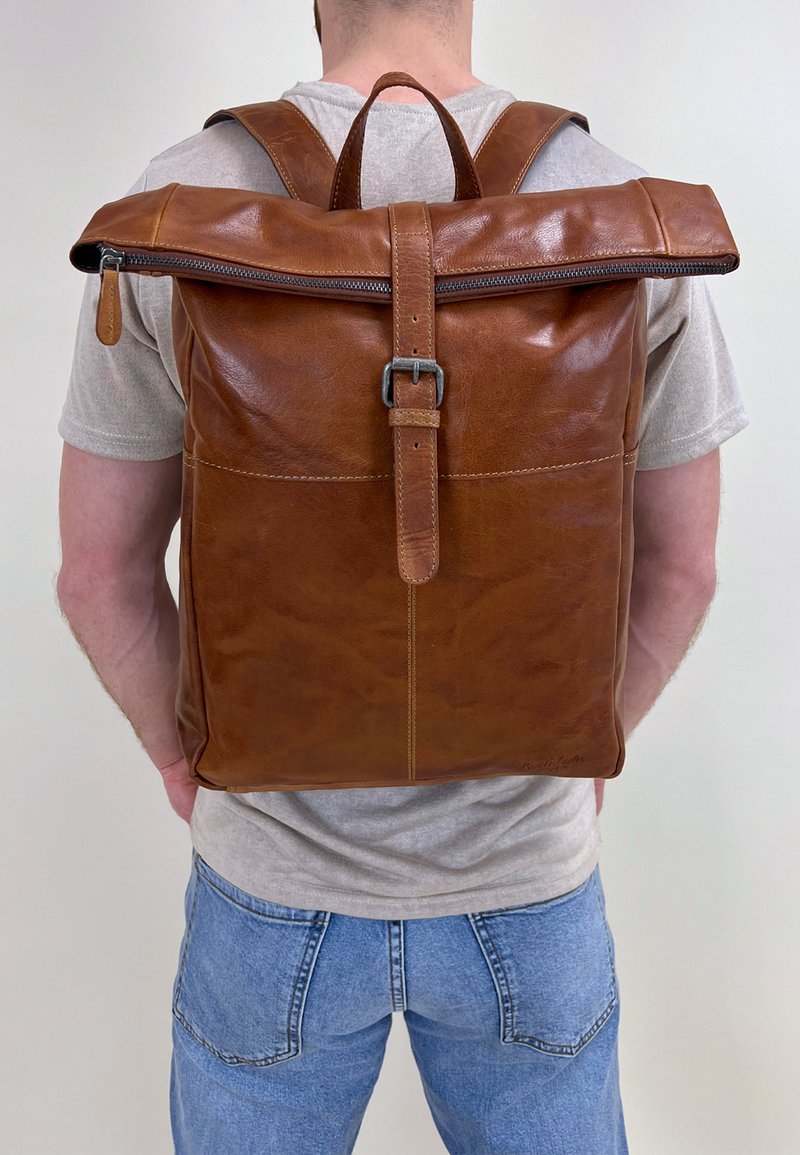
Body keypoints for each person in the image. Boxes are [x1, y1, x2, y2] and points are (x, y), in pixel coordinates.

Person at [56, 1, 747, 1152]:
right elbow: (684, 567)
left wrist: (187, 757)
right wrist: (581, 739)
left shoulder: (177, 202)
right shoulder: (613, 203)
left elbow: (97, 573)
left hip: (266, 890)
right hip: (527, 888)